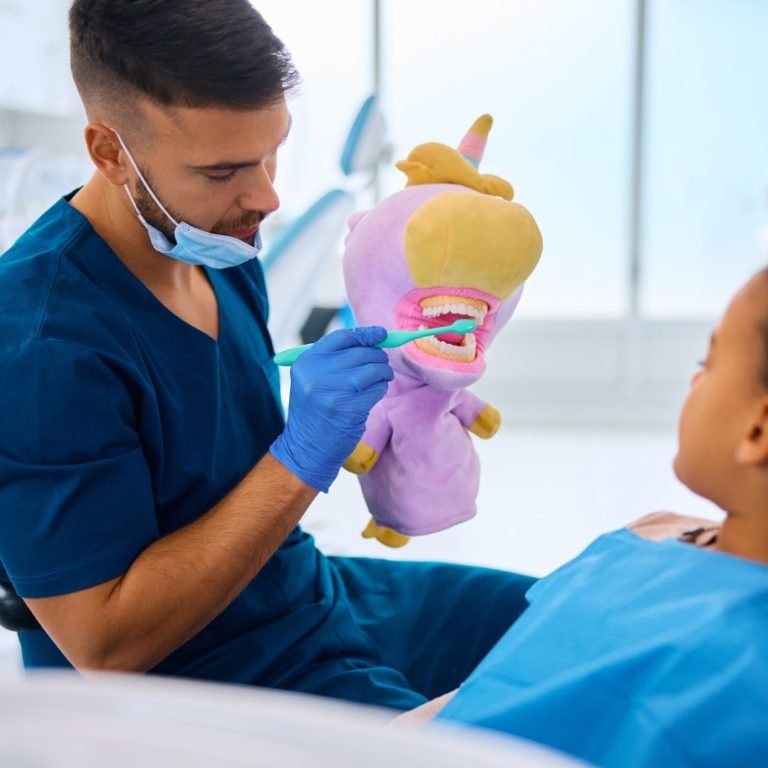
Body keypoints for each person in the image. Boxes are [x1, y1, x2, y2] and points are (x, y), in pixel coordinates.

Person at [0, 0, 535, 710]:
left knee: (569, 625)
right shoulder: (43, 346)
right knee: (518, 728)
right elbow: (104, 646)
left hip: (299, 592)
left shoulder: (218, 245)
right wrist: (304, 454)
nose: (266, 194)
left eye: (271, 149)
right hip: (194, 679)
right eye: (222, 171)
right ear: (108, 153)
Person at [400, 270, 768, 766]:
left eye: (710, 363)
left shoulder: (731, 682)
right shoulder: (660, 530)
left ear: (758, 428)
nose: (694, 378)